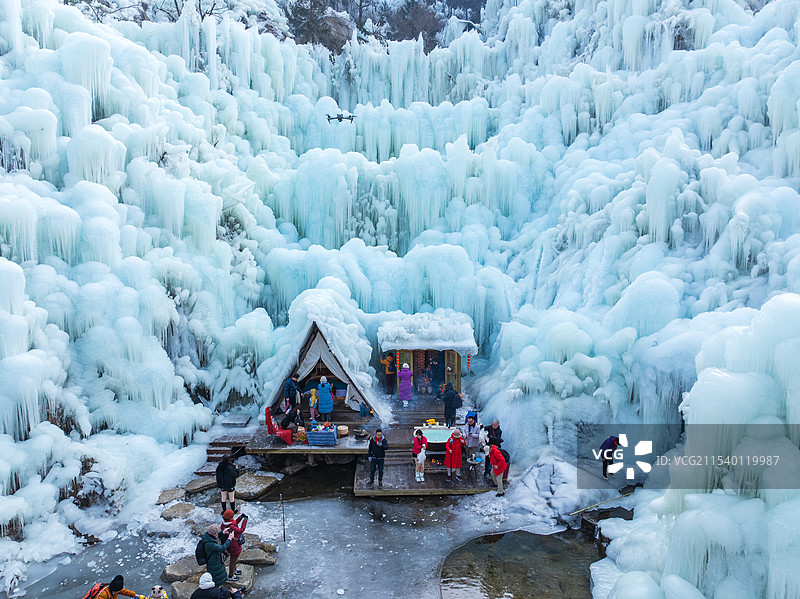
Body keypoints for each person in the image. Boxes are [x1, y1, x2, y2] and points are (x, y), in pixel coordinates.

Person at [221, 510, 249, 581]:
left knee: (235, 558)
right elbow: (241, 530)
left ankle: (234, 569)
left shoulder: (224, 524)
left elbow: (234, 523)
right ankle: (231, 575)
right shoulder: (231, 526)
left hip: (231, 543)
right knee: (233, 559)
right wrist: (245, 520)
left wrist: (240, 517)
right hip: (234, 545)